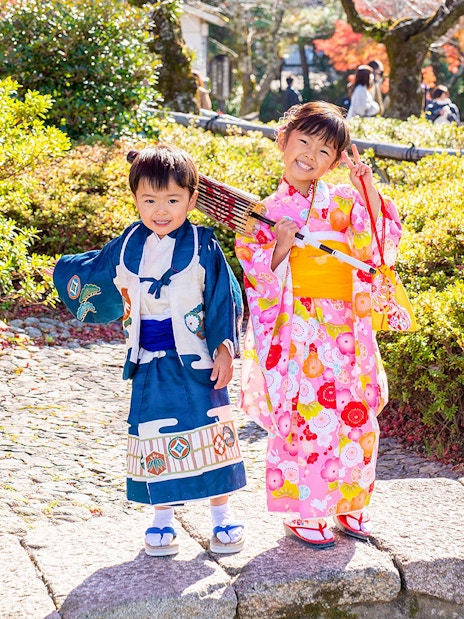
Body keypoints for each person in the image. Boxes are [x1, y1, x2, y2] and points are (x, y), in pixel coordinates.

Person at [49, 144, 246, 557]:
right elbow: (94, 278)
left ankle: (221, 516)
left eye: (173, 200)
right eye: (150, 200)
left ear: (192, 199)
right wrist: (67, 271)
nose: (162, 210)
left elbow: (222, 299)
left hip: (198, 358)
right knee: (155, 437)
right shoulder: (126, 248)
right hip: (151, 361)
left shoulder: (203, 245)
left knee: (212, 434)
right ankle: (162, 520)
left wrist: (225, 348)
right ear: (135, 198)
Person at [235, 101, 403, 548]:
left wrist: (365, 188)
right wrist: (283, 244)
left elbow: (379, 247)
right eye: (303, 140)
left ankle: (350, 502)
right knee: (304, 414)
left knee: (355, 412)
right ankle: (302, 510)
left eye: (325, 150)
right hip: (297, 326)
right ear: (283, 140)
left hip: (346, 324)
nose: (310, 154)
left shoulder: (344, 201)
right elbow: (260, 278)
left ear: (335, 161)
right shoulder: (263, 211)